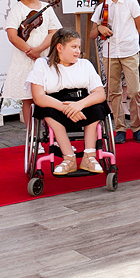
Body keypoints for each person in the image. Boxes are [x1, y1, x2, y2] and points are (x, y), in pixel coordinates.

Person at [27, 29, 111, 176]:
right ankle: (69, 158)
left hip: (82, 102)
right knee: (44, 108)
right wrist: (66, 108)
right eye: (73, 47)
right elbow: (38, 96)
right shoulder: (42, 64)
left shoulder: (85, 64)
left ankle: (89, 156)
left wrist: (78, 105)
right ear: (59, 47)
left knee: (98, 107)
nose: (78, 51)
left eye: (78, 47)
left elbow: (100, 93)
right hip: (56, 104)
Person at [89, 0, 140, 144]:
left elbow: (139, 28)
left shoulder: (131, 3)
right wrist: (100, 28)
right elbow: (92, 34)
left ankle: (137, 127)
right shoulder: (101, 8)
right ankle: (120, 128)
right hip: (110, 52)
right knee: (114, 92)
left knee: (135, 91)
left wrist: (128, 39)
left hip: (129, 51)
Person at [4, 0, 61, 126]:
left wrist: (39, 49)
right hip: (24, 58)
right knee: (28, 98)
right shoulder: (17, 9)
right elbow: (12, 35)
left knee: (49, 95)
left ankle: (53, 134)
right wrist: (29, 51)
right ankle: (33, 137)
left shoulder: (46, 7)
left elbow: (53, 31)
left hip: (44, 55)